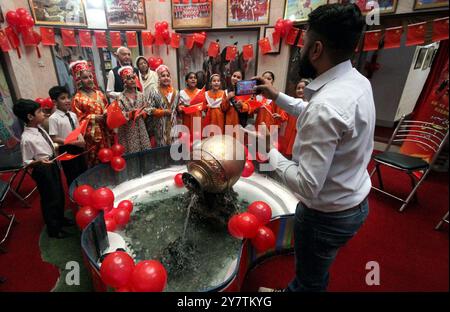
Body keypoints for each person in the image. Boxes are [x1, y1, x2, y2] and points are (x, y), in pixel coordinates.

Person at [255, 3, 374, 292]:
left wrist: (267, 153)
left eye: (304, 43)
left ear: (317, 49)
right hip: (353, 202)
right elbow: (313, 110)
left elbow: (308, 186)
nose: (301, 50)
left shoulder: (327, 106)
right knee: (315, 271)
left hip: (325, 216)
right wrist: (276, 96)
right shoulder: (355, 82)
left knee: (310, 280)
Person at [13, 99, 73, 239]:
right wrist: (38, 161)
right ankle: (54, 228)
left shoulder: (39, 128)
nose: (43, 114)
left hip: (52, 164)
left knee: (58, 193)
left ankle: (60, 218)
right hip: (42, 169)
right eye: (39, 112)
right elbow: (26, 162)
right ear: (30, 117)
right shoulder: (26, 138)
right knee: (50, 198)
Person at [70, 60, 112, 167]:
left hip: (105, 130)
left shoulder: (99, 93)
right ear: (78, 79)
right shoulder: (77, 99)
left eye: (90, 76)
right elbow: (77, 120)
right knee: (95, 158)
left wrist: (107, 113)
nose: (89, 79)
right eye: (85, 77)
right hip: (91, 135)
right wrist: (93, 117)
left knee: (109, 155)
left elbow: (107, 107)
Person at [48, 85, 88, 187]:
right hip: (66, 149)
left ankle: (84, 190)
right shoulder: (53, 118)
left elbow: (77, 130)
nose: (67, 100)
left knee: (83, 169)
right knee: (71, 173)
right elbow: (54, 137)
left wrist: (81, 140)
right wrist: (72, 142)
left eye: (68, 97)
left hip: (78, 146)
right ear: (55, 102)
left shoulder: (73, 115)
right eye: (63, 98)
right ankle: (74, 193)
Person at [116, 66, 151, 153]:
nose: (132, 80)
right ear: (124, 81)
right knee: (131, 152)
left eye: (133, 78)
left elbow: (148, 108)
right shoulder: (120, 98)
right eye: (129, 79)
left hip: (141, 127)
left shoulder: (141, 95)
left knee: (145, 151)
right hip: (128, 130)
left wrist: (143, 112)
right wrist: (132, 114)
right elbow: (119, 115)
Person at [279, 78, 311, 158]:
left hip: (299, 134)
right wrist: (281, 117)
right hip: (289, 132)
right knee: (286, 153)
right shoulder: (292, 103)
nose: (300, 90)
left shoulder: (311, 104)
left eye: (303, 88)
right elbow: (284, 114)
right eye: (298, 88)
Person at [148, 65, 178, 146]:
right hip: (160, 126)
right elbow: (148, 109)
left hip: (173, 125)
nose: (166, 78)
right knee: (162, 148)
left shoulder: (176, 92)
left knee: (174, 148)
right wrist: (162, 112)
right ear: (159, 78)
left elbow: (177, 108)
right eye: (163, 76)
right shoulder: (154, 91)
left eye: (168, 76)